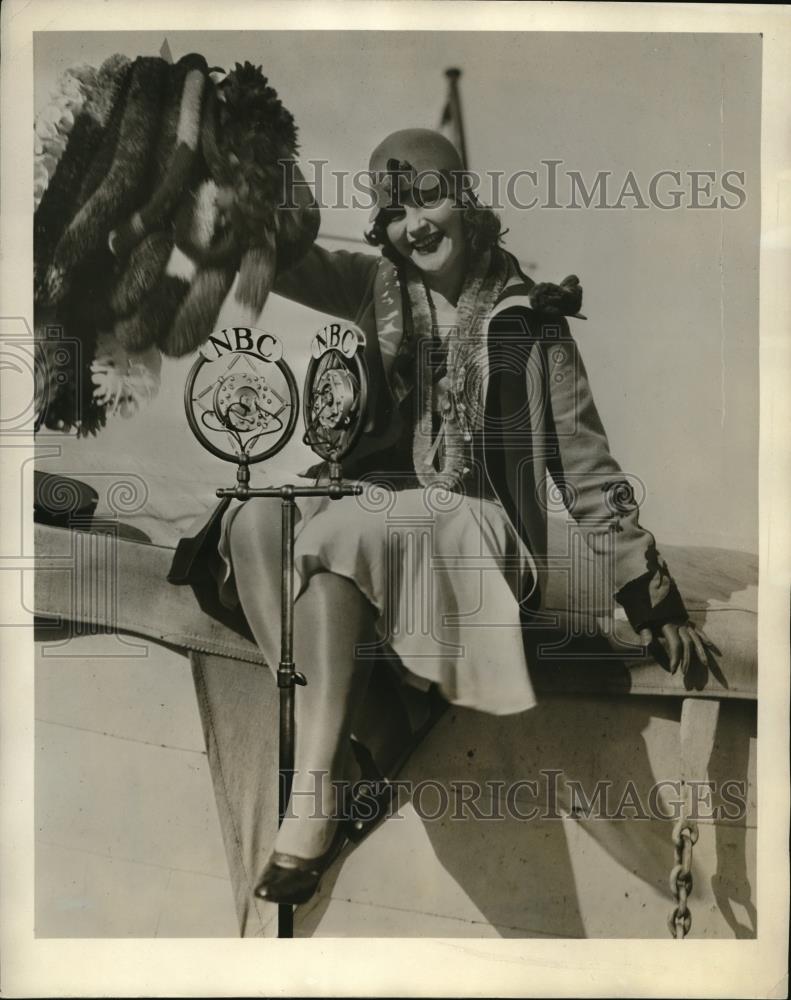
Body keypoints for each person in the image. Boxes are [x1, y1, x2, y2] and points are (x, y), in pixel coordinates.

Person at [170, 128, 713, 909]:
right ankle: (348, 732)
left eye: (427, 199)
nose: (413, 226)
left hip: (480, 532)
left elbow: (588, 472)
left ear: (463, 199)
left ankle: (313, 790)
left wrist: (649, 595)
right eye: (393, 212)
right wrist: (221, 171)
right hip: (373, 514)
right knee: (258, 520)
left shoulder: (534, 321)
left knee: (337, 536)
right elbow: (276, 253)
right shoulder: (374, 287)